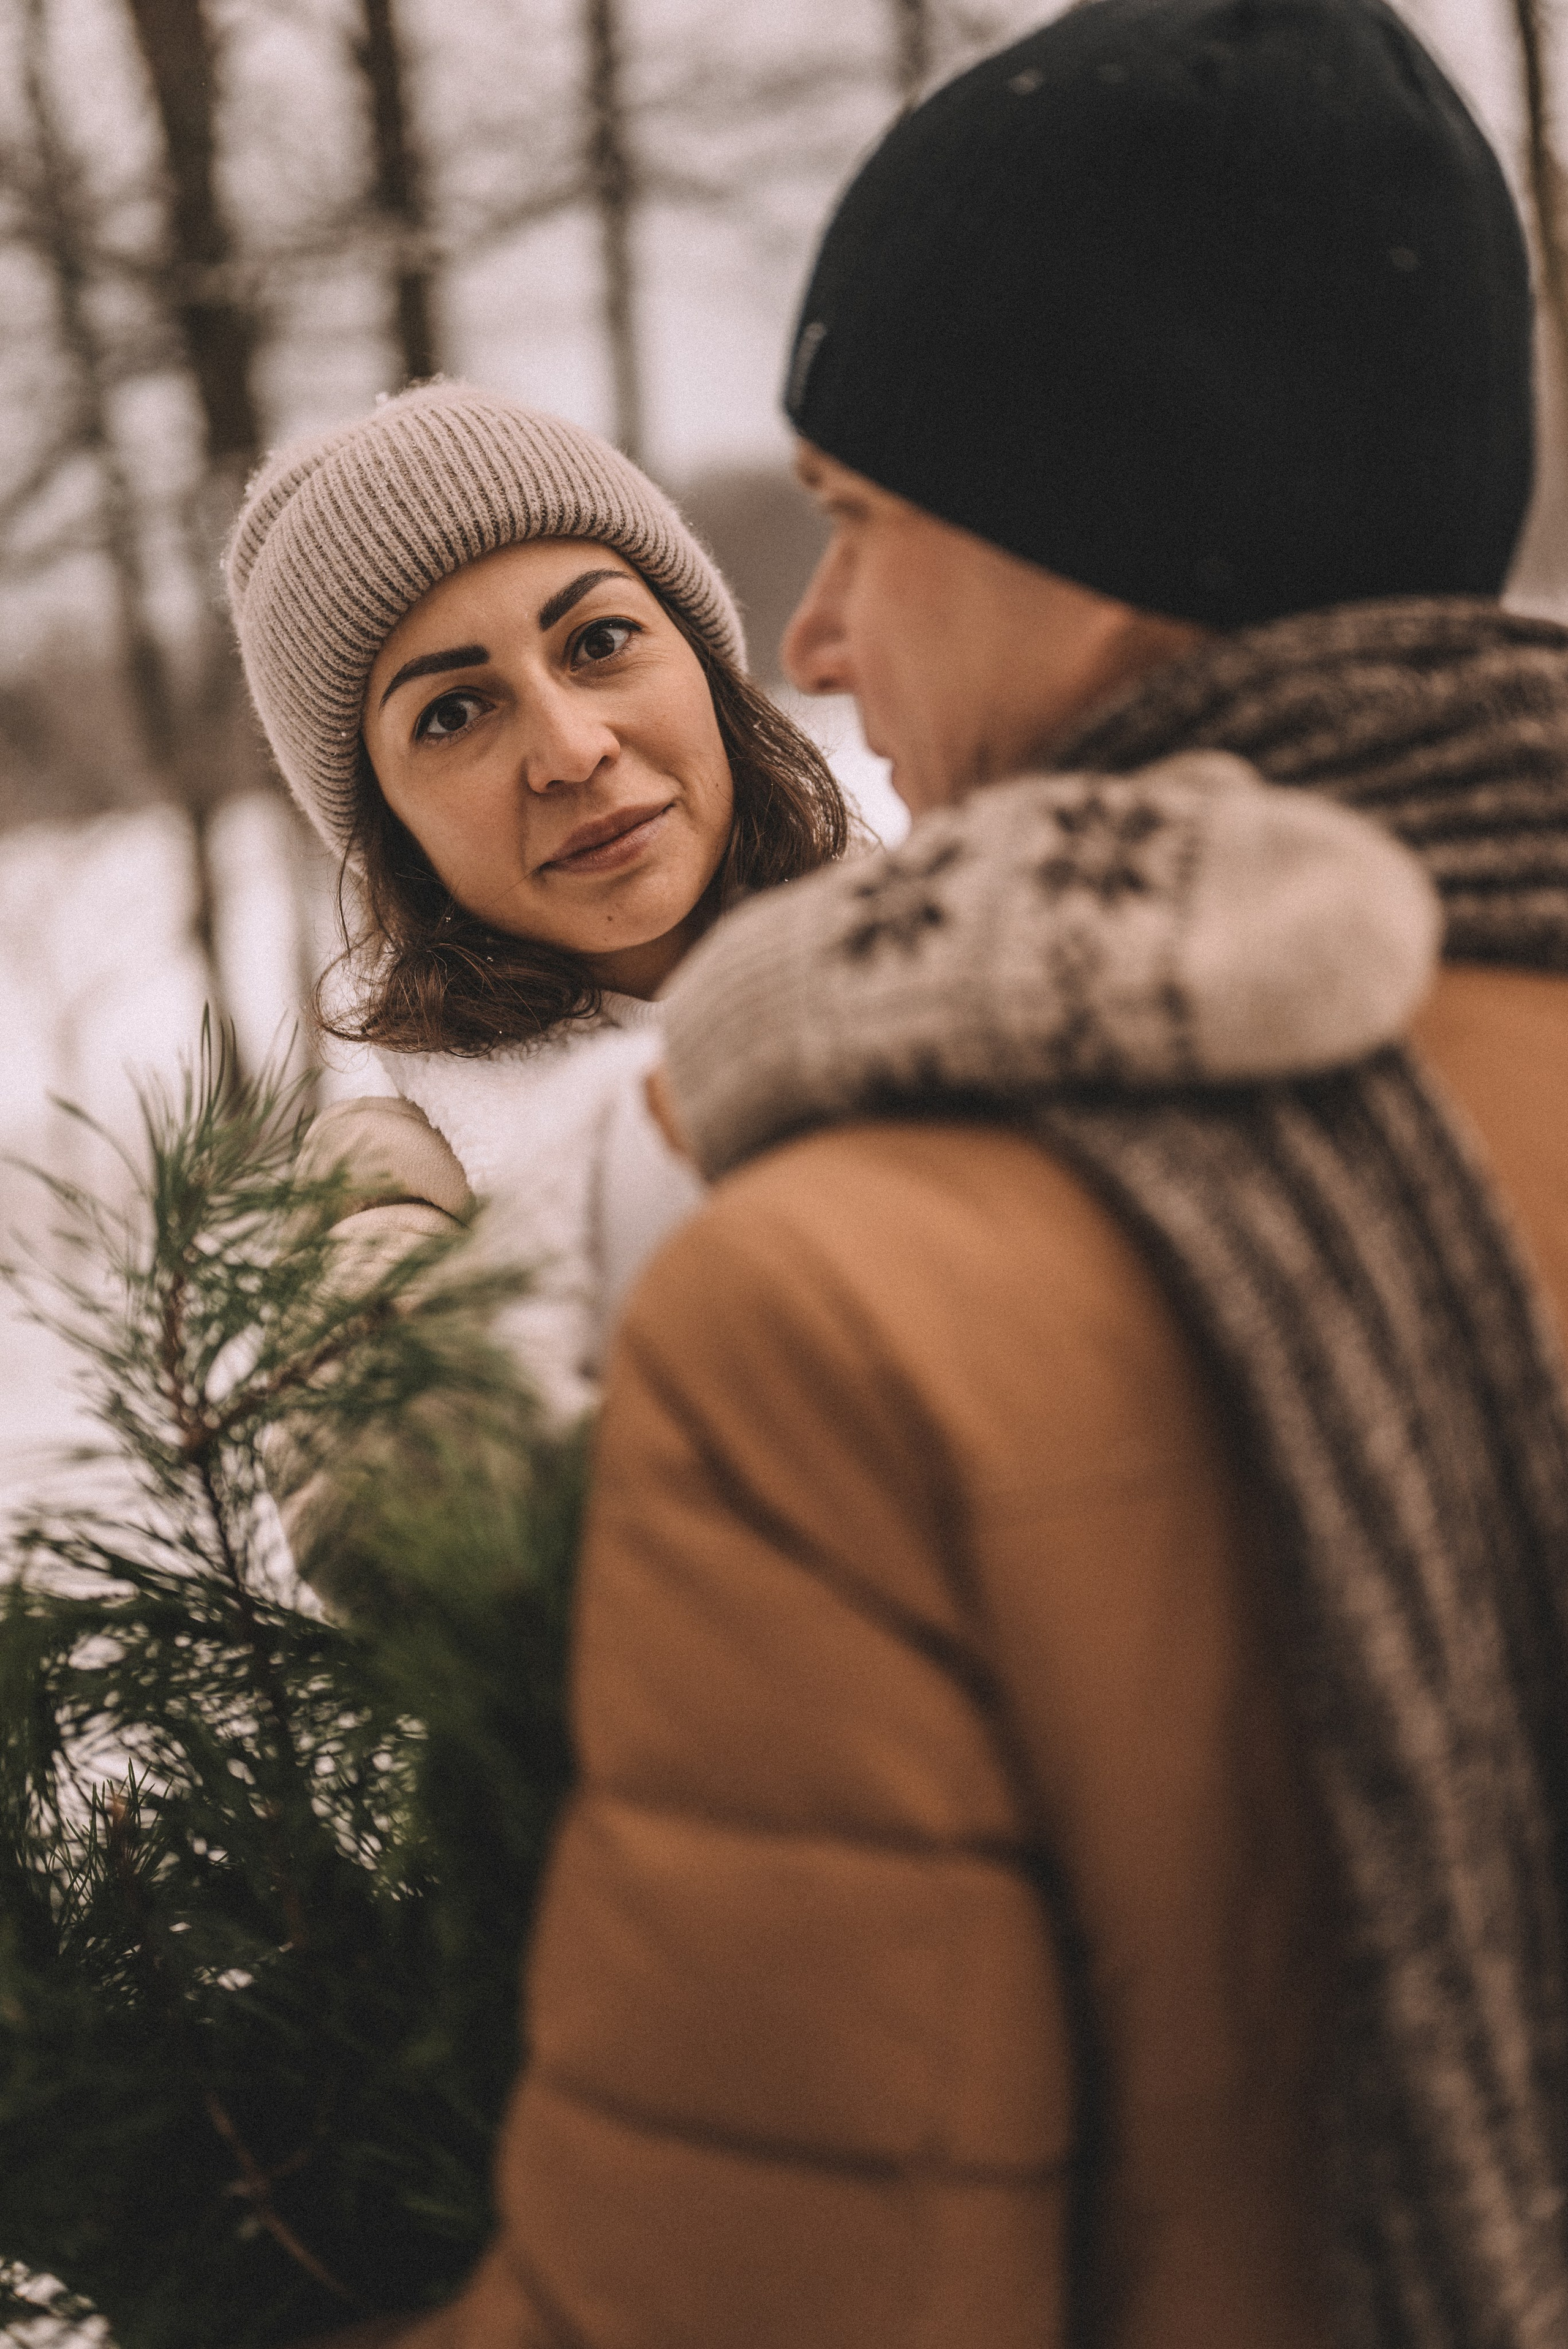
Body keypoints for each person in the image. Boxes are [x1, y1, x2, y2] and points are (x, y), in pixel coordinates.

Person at [342, 2, 1568, 2345]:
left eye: (862, 517)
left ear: (1110, 517)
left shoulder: (835, 1324)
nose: (809, 629)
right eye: (447, 709)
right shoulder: (419, 1164)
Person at [229, 379, 1433, 1423]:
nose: (568, 746)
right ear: (389, 821)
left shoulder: (959, 926)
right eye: (451, 713)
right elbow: (401, 1517)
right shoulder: (397, 1165)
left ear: (704, 664)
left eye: (597, 641)